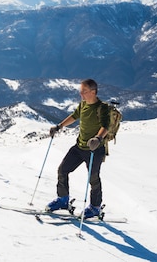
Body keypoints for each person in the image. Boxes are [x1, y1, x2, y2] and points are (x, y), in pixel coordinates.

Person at [46, 79, 110, 219]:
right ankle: (63, 199)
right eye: (81, 91)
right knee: (63, 169)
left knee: (93, 178)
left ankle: (95, 207)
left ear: (93, 92)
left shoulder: (102, 108)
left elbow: (106, 126)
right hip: (79, 146)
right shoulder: (83, 104)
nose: (81, 94)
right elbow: (74, 116)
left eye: (84, 91)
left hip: (95, 149)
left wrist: (98, 139)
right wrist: (59, 126)